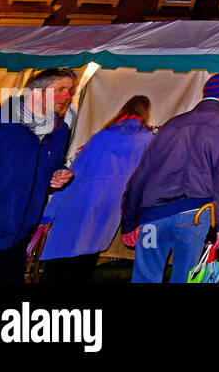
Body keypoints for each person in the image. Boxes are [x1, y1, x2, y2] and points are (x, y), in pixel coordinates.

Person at [0, 68, 76, 283]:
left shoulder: (58, 132)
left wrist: (54, 173)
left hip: (17, 241)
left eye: (69, 90)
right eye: (60, 90)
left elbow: (45, 166)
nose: (67, 96)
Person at [120, 72, 219, 283]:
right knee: (186, 279)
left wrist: (129, 221)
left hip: (153, 215)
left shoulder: (173, 123)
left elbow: (142, 173)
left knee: (144, 279)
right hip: (194, 214)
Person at [40, 95, 155, 283]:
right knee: (88, 256)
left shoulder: (103, 136)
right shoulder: (148, 141)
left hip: (80, 201)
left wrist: (49, 213)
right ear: (146, 113)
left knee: (62, 257)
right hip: (112, 205)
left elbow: (74, 173)